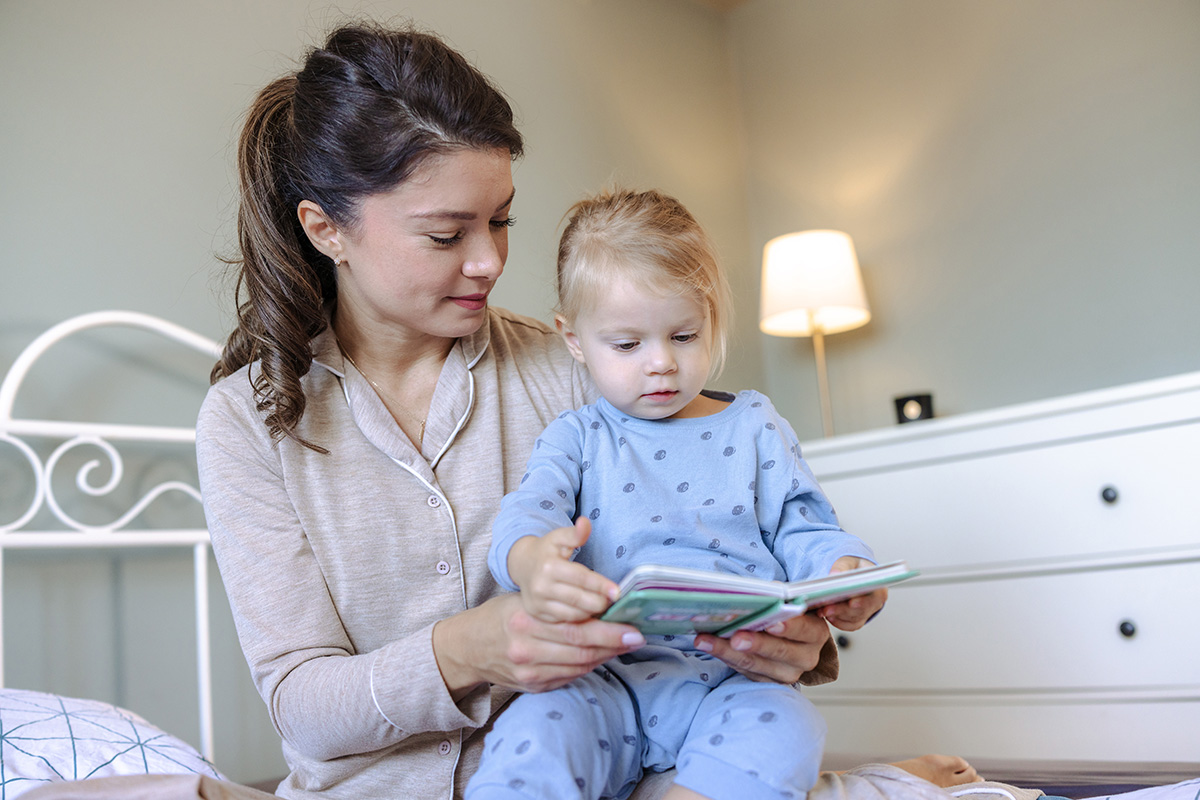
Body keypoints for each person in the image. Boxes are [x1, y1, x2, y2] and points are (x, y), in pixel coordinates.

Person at [195, 21, 849, 800]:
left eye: (501, 220)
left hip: (627, 774)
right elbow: (303, 708)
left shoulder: (583, 369)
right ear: (325, 228)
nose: (490, 262)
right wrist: (467, 651)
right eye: (446, 235)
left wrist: (800, 641)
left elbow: (723, 544)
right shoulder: (249, 422)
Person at [466, 189, 882, 800]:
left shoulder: (756, 425)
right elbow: (529, 511)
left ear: (711, 318)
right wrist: (531, 561)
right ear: (574, 340)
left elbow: (805, 527)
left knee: (789, 728)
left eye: (684, 335)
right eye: (628, 345)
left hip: (734, 679)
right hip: (603, 678)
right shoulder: (577, 436)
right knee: (533, 731)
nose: (660, 363)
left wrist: (845, 575)